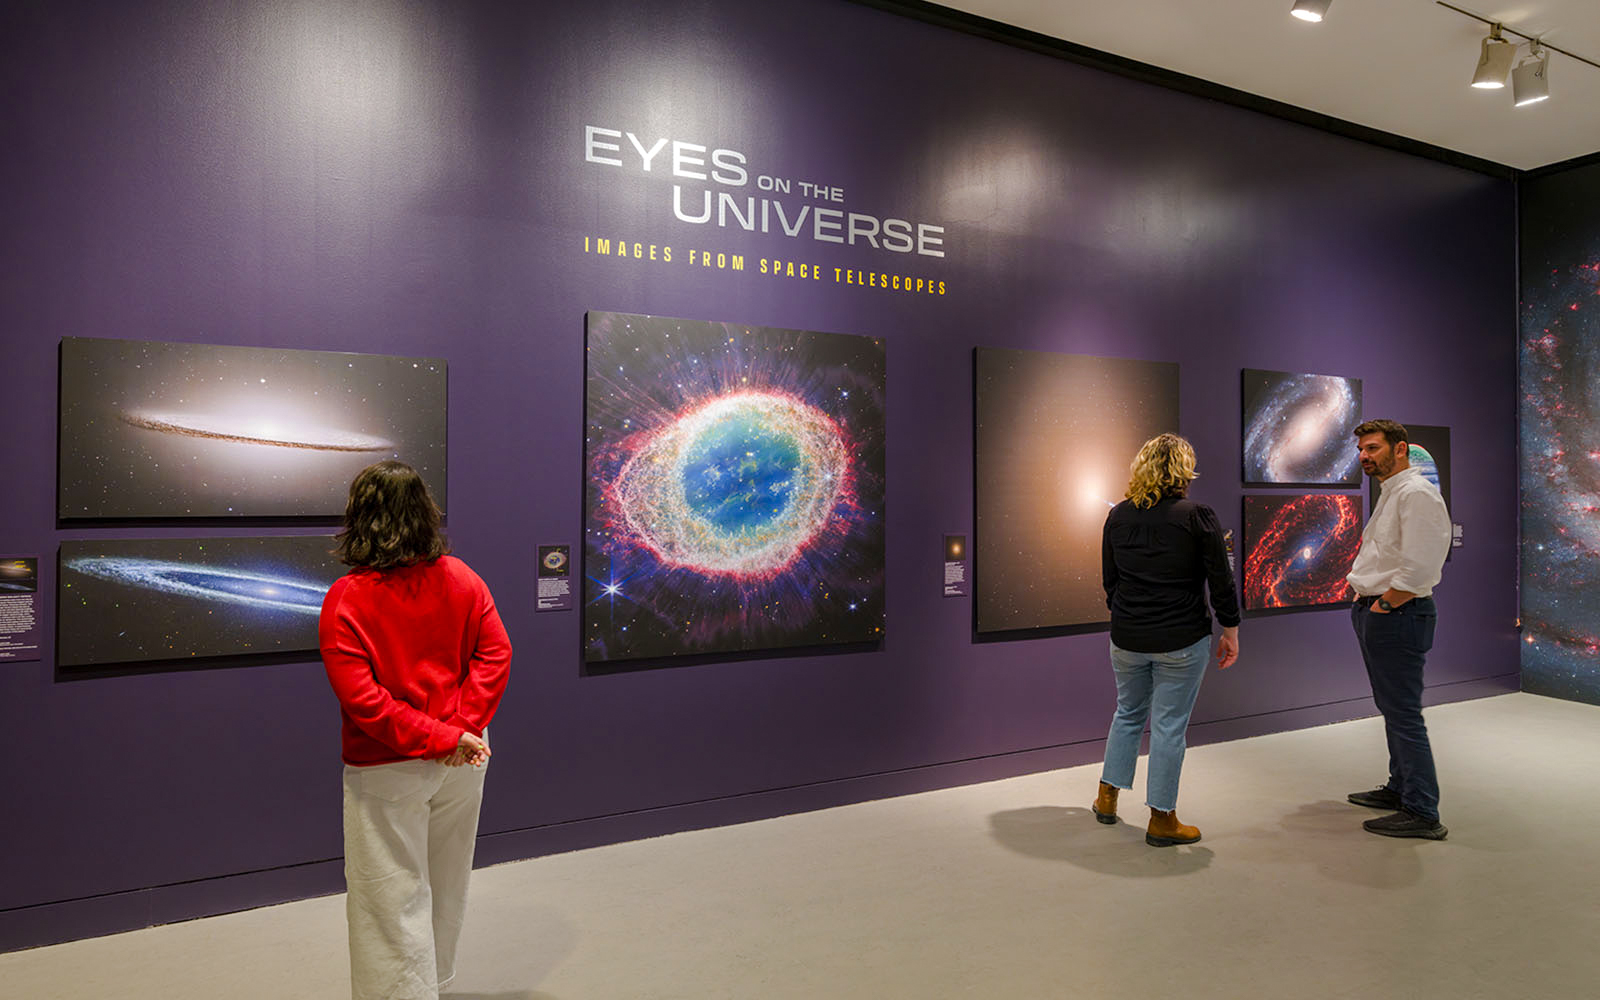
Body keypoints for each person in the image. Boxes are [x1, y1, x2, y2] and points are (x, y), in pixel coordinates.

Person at [320, 461, 513, 999]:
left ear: (359, 516)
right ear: (425, 511)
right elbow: (495, 654)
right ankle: (439, 985)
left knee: (389, 897)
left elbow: (367, 704)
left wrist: (444, 736)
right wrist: (460, 729)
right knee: (448, 880)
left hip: (389, 763)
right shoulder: (463, 577)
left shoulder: (348, 598)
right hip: (464, 757)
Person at [1094, 433, 1240, 846]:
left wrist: (1128, 615)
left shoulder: (1118, 515)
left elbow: (1110, 581)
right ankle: (1162, 819)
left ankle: (1107, 798)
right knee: (1168, 727)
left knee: (1127, 713)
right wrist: (1230, 629)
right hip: (1181, 638)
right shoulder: (1197, 516)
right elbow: (1220, 580)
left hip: (1127, 637)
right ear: (1184, 468)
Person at [1345, 419, 1452, 840]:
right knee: (1392, 708)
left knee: (1404, 714)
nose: (1365, 457)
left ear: (1401, 448)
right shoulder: (1393, 492)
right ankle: (1400, 789)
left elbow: (1422, 565)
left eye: (1372, 448)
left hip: (1399, 615)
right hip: (1380, 612)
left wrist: (1386, 604)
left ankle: (1423, 811)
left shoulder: (1416, 494)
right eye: (1361, 450)